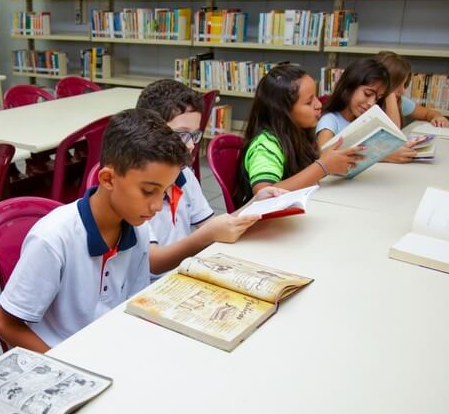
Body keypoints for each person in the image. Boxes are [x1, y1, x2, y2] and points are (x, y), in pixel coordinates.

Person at [0, 108, 190, 352]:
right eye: (148, 191)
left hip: (109, 348)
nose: (157, 205)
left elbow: (131, 305)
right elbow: (6, 325)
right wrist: (67, 366)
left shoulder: (139, 230)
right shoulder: (53, 238)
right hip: (62, 358)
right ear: (108, 179)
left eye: (165, 192)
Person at [136, 79, 283, 278]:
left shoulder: (184, 174)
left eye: (194, 135)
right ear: (149, 130)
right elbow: (154, 263)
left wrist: (255, 204)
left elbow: (211, 226)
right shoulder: (137, 186)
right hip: (150, 286)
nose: (189, 146)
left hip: (183, 273)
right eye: (181, 134)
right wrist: (207, 236)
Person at [234, 64, 362, 207]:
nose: (319, 104)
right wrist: (323, 167)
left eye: (316, 97)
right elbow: (264, 194)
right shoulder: (266, 145)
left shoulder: (299, 132)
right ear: (283, 112)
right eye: (309, 102)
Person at [316, 58, 424, 164]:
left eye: (377, 98)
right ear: (349, 86)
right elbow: (325, 157)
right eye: (367, 94)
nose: (371, 103)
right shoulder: (330, 120)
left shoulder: (364, 120)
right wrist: (384, 155)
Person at [374, 50, 449, 129]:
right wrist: (390, 94)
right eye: (397, 85)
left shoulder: (400, 102)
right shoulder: (367, 103)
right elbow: (393, 131)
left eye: (404, 85)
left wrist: (437, 117)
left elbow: (428, 113)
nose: (403, 91)